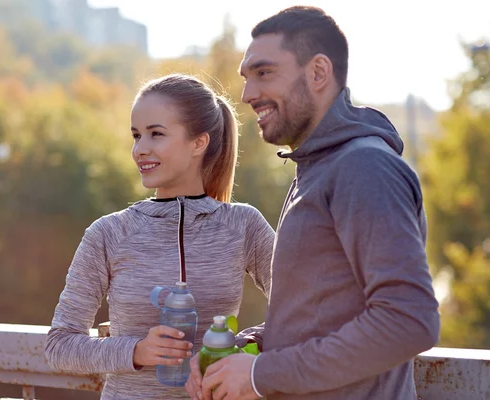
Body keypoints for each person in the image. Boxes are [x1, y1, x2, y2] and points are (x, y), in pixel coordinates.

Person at [185, 6, 440, 400]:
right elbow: (325, 316)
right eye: (246, 78)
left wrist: (261, 374)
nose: (248, 94)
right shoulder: (318, 167)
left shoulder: (363, 167)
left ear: (318, 72)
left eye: (264, 73)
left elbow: (408, 320)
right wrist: (251, 349)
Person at [45, 73, 274, 399]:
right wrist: (136, 351)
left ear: (199, 142)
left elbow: (307, 311)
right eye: (137, 136)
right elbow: (60, 345)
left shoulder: (243, 225)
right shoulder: (109, 233)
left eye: (156, 134)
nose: (140, 149)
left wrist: (245, 343)